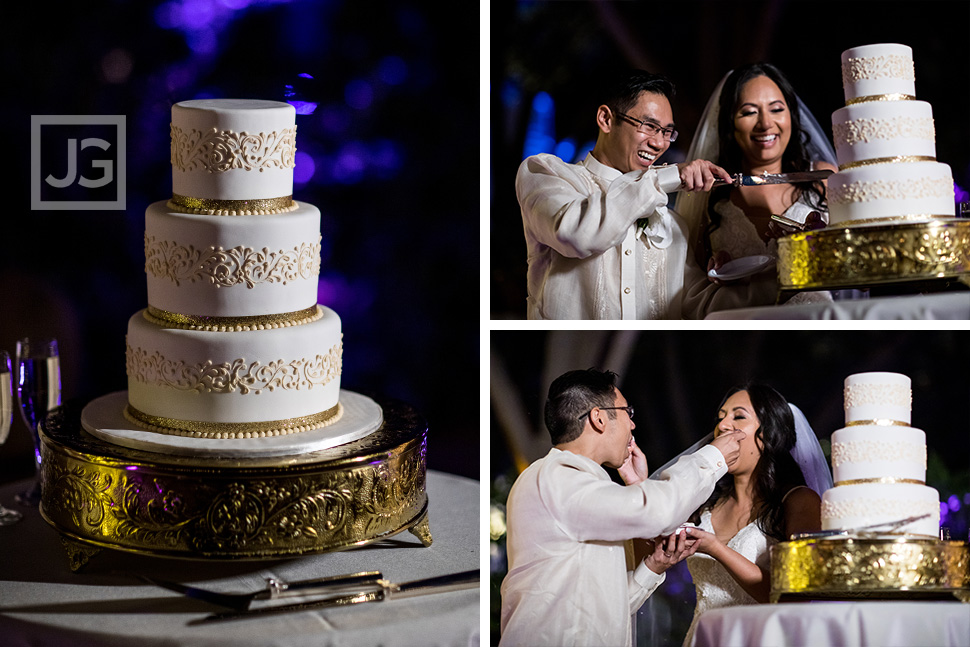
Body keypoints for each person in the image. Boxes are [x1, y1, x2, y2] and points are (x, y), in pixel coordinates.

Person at [498, 368, 746, 647]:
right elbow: (656, 512)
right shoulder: (559, 477)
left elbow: (602, 610)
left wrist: (653, 566)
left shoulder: (575, 481)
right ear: (599, 418)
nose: (632, 425)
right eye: (627, 411)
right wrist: (713, 458)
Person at [516, 70, 734, 320]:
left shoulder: (673, 225)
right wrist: (668, 176)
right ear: (606, 119)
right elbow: (574, 234)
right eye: (650, 126)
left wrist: (761, 282)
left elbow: (698, 305)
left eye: (666, 132)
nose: (659, 143)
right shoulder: (545, 173)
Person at [675, 383, 832, 647]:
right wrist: (636, 484)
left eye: (738, 416)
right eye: (721, 417)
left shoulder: (798, 502)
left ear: (768, 435)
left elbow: (795, 596)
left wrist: (716, 548)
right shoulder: (705, 505)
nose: (723, 426)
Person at [675, 63, 839, 308]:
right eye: (749, 112)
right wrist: (715, 274)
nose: (765, 123)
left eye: (776, 109)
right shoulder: (711, 190)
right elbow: (691, 288)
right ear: (730, 122)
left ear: (791, 115)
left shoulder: (823, 178)